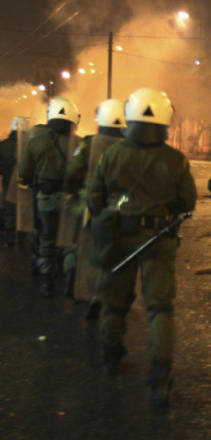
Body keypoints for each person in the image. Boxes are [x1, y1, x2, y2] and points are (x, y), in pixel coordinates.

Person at [87, 87, 196, 407]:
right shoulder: (176, 160)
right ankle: (161, 378)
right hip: (158, 241)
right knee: (159, 307)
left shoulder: (112, 155)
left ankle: (110, 355)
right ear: (166, 122)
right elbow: (187, 201)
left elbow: (94, 199)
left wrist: (115, 214)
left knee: (115, 301)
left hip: (118, 238)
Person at [64, 99, 126, 309]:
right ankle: (110, 293)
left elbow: (73, 171)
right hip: (122, 207)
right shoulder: (132, 147)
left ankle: (79, 288)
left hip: (92, 205)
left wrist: (71, 190)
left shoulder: (89, 143)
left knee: (83, 247)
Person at [17, 98, 80, 297]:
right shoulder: (79, 144)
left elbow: (23, 173)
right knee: (70, 238)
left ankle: (47, 282)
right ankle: (69, 281)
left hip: (45, 197)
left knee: (46, 237)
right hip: (71, 198)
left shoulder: (36, 141)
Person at [0, 117, 20, 246]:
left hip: (8, 182)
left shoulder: (3, 144)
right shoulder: (30, 143)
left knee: (9, 210)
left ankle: (10, 237)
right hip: (26, 183)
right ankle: (24, 235)